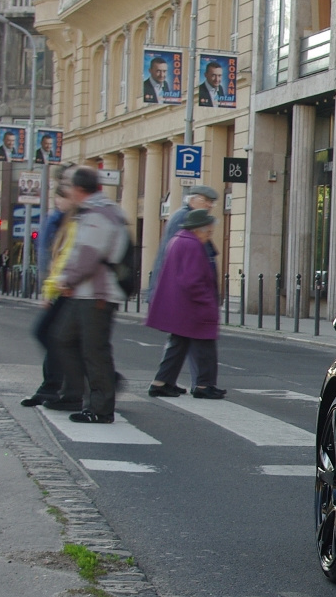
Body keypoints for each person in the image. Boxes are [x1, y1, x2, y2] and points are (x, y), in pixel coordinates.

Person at [45, 166, 129, 424]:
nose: (68, 191)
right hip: (84, 291)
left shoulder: (99, 214)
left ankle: (101, 407)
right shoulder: (91, 211)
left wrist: (65, 280)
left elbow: (88, 254)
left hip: (97, 293)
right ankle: (81, 393)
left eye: (70, 186)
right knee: (62, 338)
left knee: (95, 350)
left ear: (79, 189)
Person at [146, 210, 225, 399]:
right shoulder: (192, 245)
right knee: (204, 344)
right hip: (192, 305)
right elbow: (192, 279)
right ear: (199, 229)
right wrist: (207, 302)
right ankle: (204, 385)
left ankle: (161, 382)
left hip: (180, 304)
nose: (209, 236)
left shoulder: (179, 239)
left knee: (178, 343)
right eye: (208, 232)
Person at [23, 183, 76, 407]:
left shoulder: (74, 222)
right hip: (60, 288)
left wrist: (55, 285)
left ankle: (60, 385)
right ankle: (51, 387)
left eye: (61, 198)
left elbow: (68, 258)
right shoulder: (59, 221)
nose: (57, 202)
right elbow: (54, 259)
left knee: (51, 336)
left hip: (70, 289)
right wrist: (49, 289)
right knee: (54, 338)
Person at [148, 184, 218, 298]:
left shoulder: (194, 219)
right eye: (205, 200)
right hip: (175, 295)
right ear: (192, 199)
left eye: (212, 202)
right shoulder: (185, 218)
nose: (210, 205)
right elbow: (180, 259)